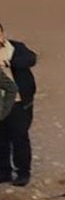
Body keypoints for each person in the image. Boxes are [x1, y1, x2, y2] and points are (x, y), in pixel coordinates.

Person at [0, 23, 34, 186]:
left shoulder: (16, 48)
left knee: (20, 138)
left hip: (18, 103)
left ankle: (23, 172)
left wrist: (9, 62)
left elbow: (31, 58)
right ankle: (4, 172)